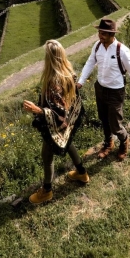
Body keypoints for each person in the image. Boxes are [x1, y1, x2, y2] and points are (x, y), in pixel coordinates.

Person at [23, 39, 88, 204]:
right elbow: (71, 101)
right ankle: (81, 172)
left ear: (50, 58)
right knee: (69, 142)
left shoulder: (53, 82)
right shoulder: (68, 72)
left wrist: (38, 110)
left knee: (46, 156)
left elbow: (58, 111)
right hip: (68, 121)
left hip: (57, 124)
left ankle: (47, 190)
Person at [77, 18, 130, 161]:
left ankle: (124, 141)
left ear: (112, 34)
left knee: (115, 124)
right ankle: (108, 143)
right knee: (103, 119)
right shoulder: (97, 46)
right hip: (100, 88)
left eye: (104, 33)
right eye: (99, 32)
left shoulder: (122, 50)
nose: (100, 35)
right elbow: (90, 63)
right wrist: (80, 82)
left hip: (116, 91)